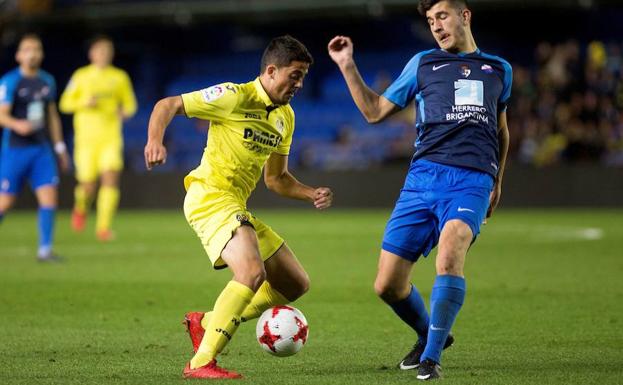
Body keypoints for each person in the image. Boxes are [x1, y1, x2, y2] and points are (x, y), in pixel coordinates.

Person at [328, 0, 511, 380]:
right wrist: (347, 65)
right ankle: (433, 336)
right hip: (422, 180)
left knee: (451, 249)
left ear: (465, 15)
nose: (436, 26)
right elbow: (374, 112)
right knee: (387, 285)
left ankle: (431, 359)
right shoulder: (423, 63)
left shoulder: (499, 70)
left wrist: (498, 181)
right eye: (430, 21)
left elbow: (501, 130)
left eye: (442, 16)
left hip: (472, 179)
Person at [144, 35, 333, 380]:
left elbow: (276, 179)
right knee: (251, 273)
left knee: (294, 284)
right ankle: (201, 363)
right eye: (294, 75)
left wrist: (310, 193)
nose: (299, 84)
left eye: (303, 76)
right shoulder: (233, 96)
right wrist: (155, 141)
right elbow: (166, 105)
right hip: (209, 196)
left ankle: (209, 321)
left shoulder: (285, 118)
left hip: (235, 205)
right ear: (271, 70)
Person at [59, 35, 137, 241]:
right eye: (100, 51)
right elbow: (65, 103)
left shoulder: (119, 77)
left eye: (107, 51)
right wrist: (84, 102)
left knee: (110, 177)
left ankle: (103, 227)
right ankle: (81, 207)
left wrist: (125, 112)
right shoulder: (81, 76)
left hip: (110, 137)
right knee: (88, 184)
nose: (104, 55)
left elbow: (130, 104)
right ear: (91, 54)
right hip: (86, 139)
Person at [0, 33, 70, 261]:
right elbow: (2, 115)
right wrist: (17, 124)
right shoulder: (10, 81)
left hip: (41, 150)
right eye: (28, 49)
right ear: (19, 55)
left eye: (37, 49)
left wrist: (59, 147)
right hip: (15, 149)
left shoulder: (47, 80)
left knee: (49, 198)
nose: (33, 53)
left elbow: (52, 117)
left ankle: (45, 250)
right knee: (6, 201)